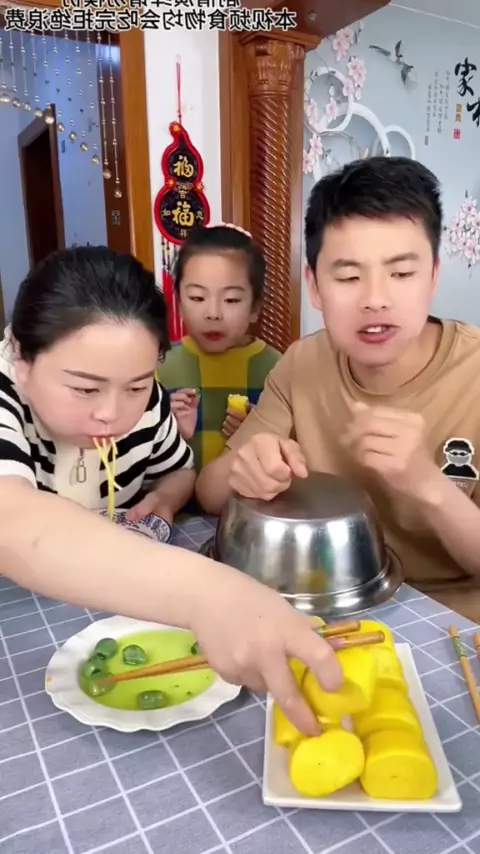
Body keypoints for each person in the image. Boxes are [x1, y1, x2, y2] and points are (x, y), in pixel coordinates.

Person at [0, 245, 342, 734]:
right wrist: (209, 593)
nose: (112, 413)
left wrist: (165, 498)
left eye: (136, 385)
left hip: (110, 610)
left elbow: (177, 468)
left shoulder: (148, 402)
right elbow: (14, 521)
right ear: (22, 357)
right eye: (85, 389)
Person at [195, 157, 480, 621]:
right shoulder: (303, 363)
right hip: (324, 607)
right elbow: (209, 494)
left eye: (401, 273)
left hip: (449, 622)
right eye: (348, 277)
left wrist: (427, 483)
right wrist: (245, 470)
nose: (375, 299)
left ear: (432, 276)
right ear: (314, 286)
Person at [158, 224, 281, 469]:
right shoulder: (159, 365)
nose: (213, 313)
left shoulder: (278, 369)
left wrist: (257, 431)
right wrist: (163, 427)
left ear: (255, 308)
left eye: (231, 300)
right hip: (175, 492)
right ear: (179, 303)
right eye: (197, 298)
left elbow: (292, 450)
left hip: (246, 492)